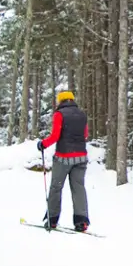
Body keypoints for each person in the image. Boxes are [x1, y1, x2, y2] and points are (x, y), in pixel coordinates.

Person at [39, 90, 89, 232]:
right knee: (78, 188)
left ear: (60, 101)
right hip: (81, 157)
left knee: (56, 187)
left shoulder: (59, 115)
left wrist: (43, 144)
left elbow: (55, 136)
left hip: (63, 157)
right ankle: (81, 221)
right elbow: (85, 135)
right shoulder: (82, 114)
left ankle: (52, 219)